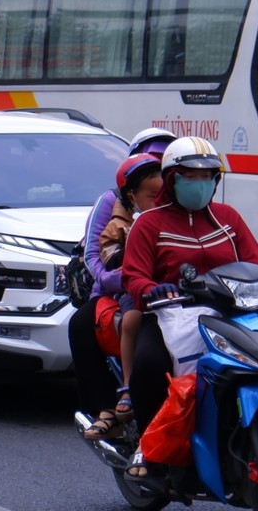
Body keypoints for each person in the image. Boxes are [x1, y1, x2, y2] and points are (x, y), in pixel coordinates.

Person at [122, 136, 258, 478]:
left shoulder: (227, 218)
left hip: (231, 315)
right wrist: (152, 288)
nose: (200, 183)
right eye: (190, 176)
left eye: (207, 176)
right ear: (173, 179)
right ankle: (148, 448)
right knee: (149, 366)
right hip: (168, 317)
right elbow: (133, 277)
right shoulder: (149, 224)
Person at [67, 126, 176, 424]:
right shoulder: (111, 205)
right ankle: (107, 407)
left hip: (171, 292)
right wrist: (121, 279)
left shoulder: (182, 208)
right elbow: (93, 255)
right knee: (81, 324)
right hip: (118, 290)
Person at [81, 153, 162, 441]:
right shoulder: (123, 222)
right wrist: (127, 266)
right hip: (136, 291)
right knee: (132, 321)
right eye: (152, 193)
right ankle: (128, 389)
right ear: (131, 194)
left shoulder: (182, 217)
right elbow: (102, 252)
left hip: (177, 294)